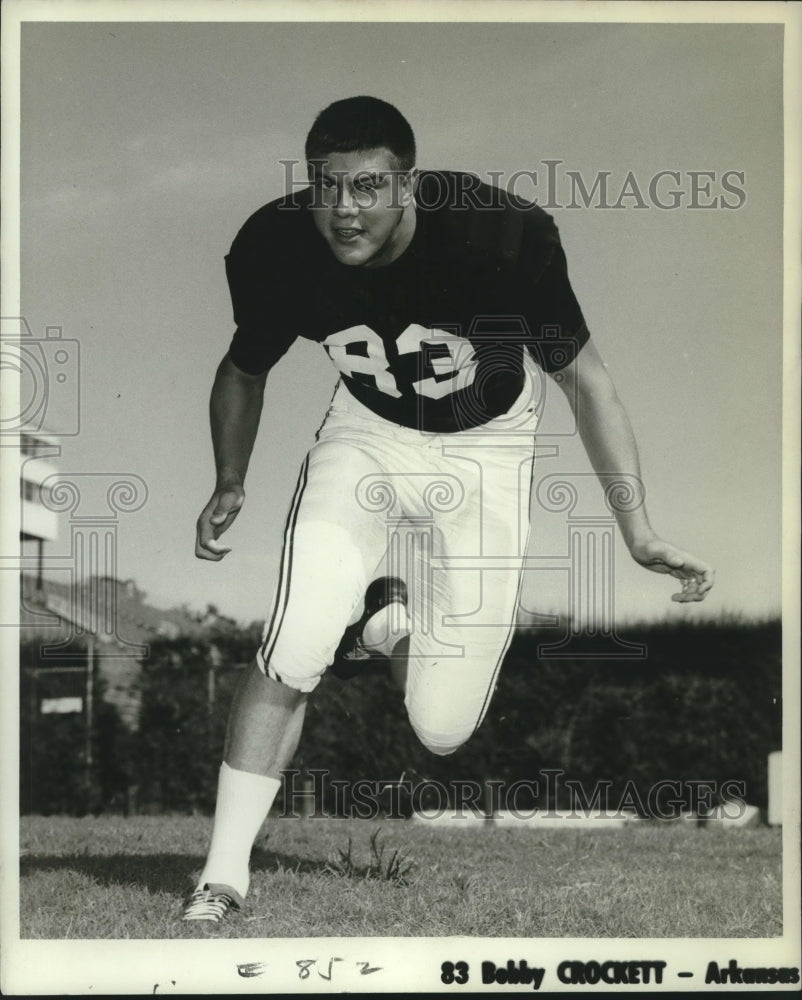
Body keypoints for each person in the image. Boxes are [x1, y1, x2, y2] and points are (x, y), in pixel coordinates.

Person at [183, 96, 714, 922]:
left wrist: (636, 529)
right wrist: (228, 477)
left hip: (488, 446)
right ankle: (221, 877)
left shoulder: (503, 237)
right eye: (326, 187)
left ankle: (389, 617)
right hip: (368, 430)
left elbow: (588, 381)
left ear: (411, 185)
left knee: (440, 728)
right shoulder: (276, 244)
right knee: (293, 642)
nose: (344, 210)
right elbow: (243, 367)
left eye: (367, 186)